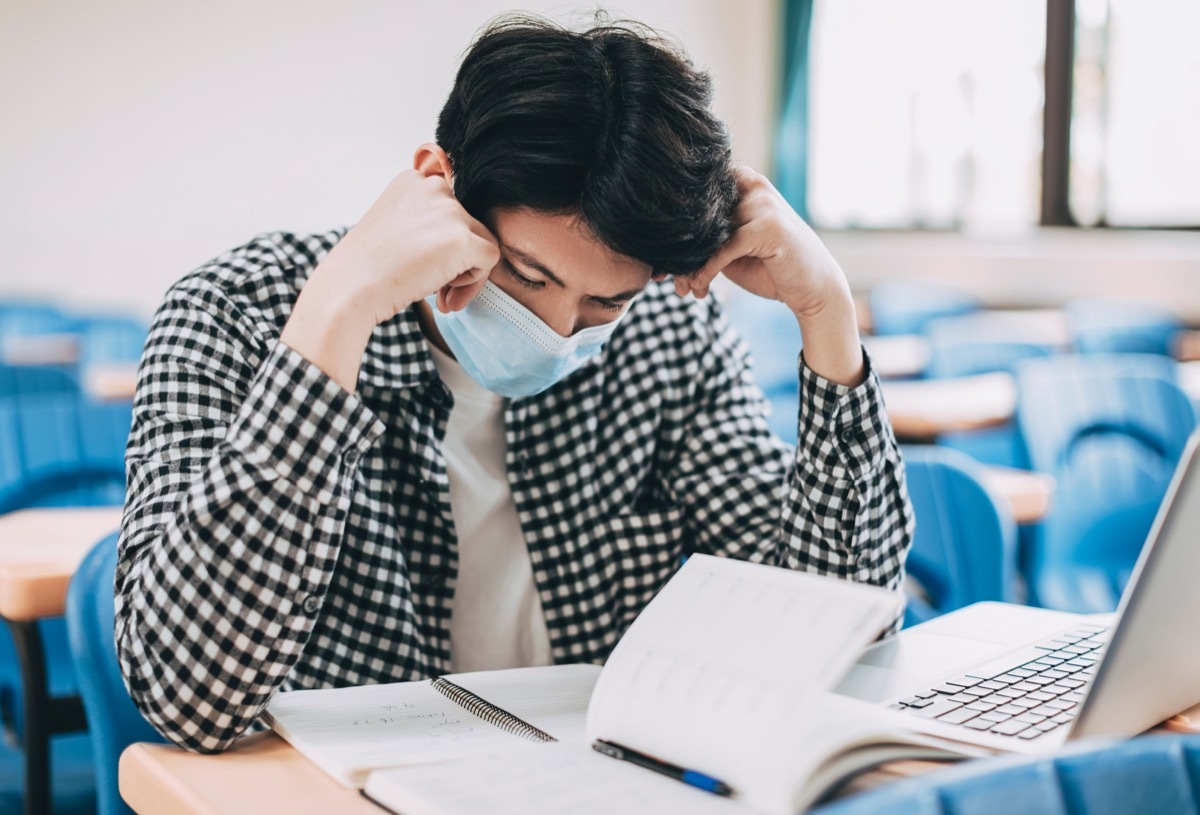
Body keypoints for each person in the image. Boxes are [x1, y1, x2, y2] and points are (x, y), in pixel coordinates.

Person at [115, 14, 913, 754]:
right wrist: (340, 308)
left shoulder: (669, 334)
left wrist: (828, 316)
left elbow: (837, 646)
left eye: (605, 300)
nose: (560, 329)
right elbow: (194, 699)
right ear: (437, 181)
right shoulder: (235, 316)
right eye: (527, 277)